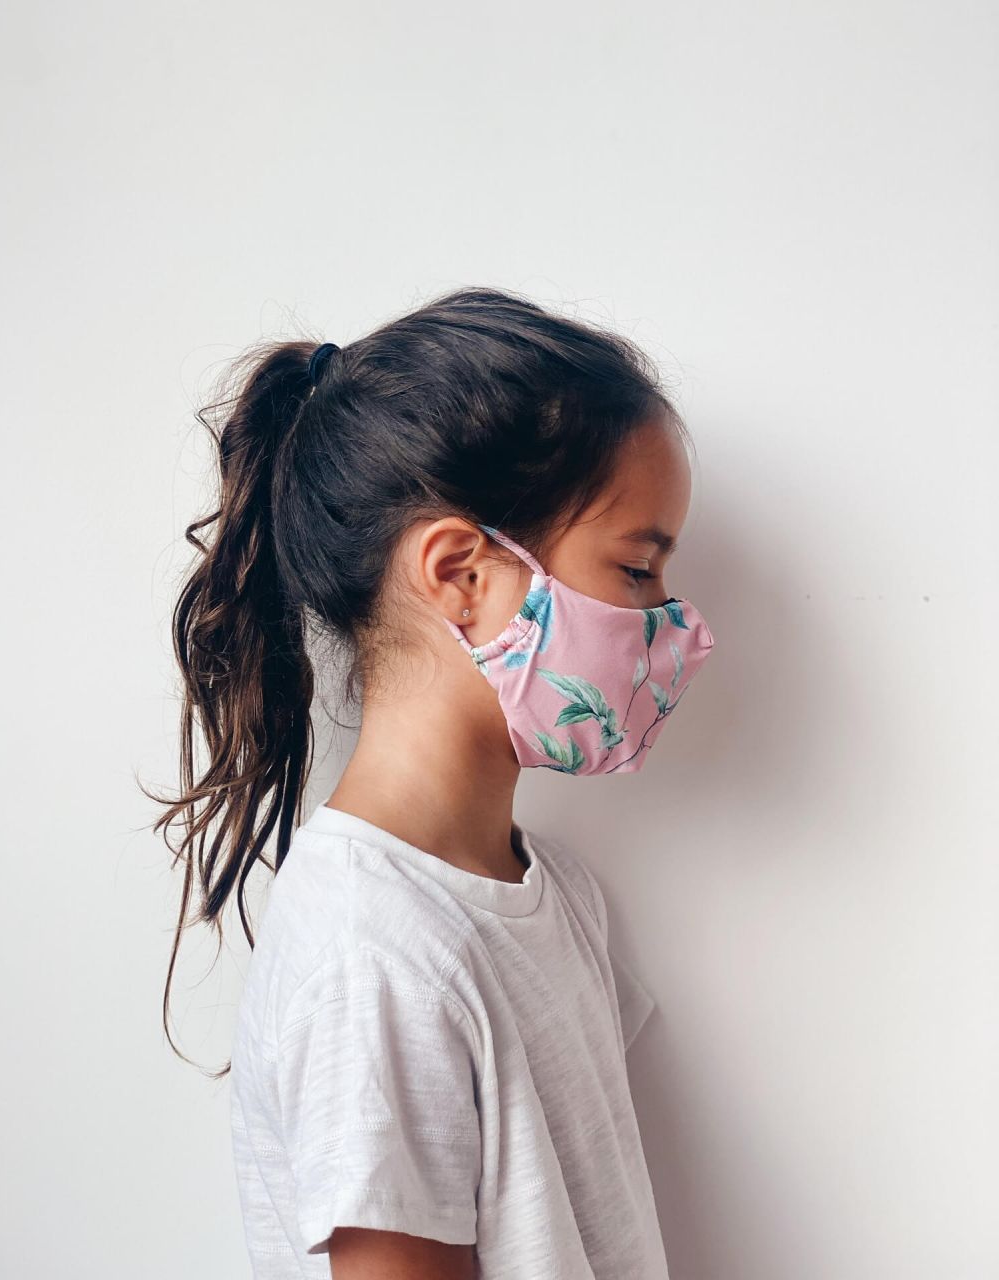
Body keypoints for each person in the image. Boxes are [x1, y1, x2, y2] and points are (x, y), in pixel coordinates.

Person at [149, 286, 715, 1278]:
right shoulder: (370, 953)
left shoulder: (557, 892)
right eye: (636, 571)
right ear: (459, 573)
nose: (670, 624)